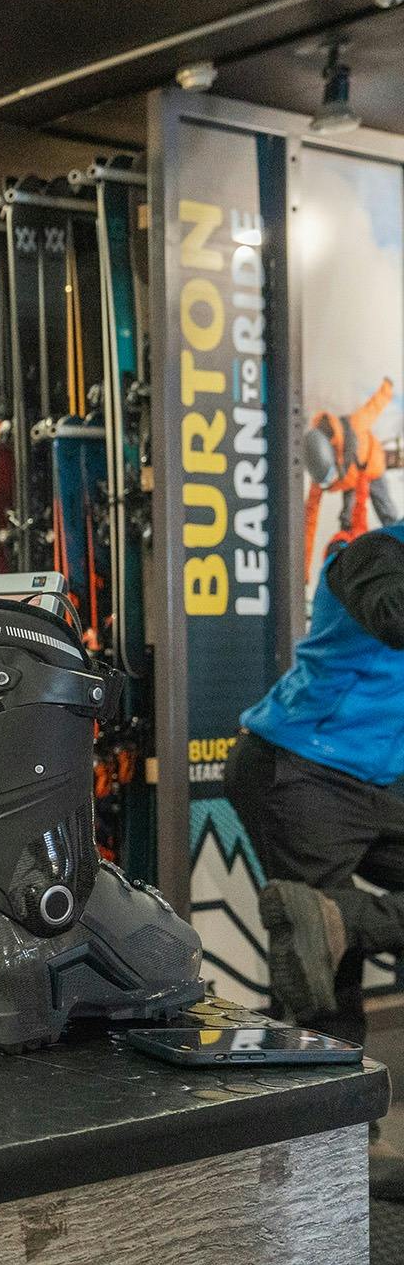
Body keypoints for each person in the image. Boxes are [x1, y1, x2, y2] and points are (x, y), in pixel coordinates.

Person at [229, 522, 404, 1046]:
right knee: (319, 960)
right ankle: (334, 1114)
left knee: (319, 927)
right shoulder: (376, 554)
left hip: (379, 783)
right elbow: (392, 615)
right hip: (301, 768)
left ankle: (340, 917)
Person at [301, 378, 398, 583]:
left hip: (371, 467)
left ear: (336, 458)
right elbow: (309, 520)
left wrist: (387, 388)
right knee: (348, 521)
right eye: (326, 482)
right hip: (353, 481)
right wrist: (303, 569)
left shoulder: (355, 426)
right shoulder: (319, 473)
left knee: (387, 514)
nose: (328, 485)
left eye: (331, 478)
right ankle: (350, 563)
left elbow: (374, 407)